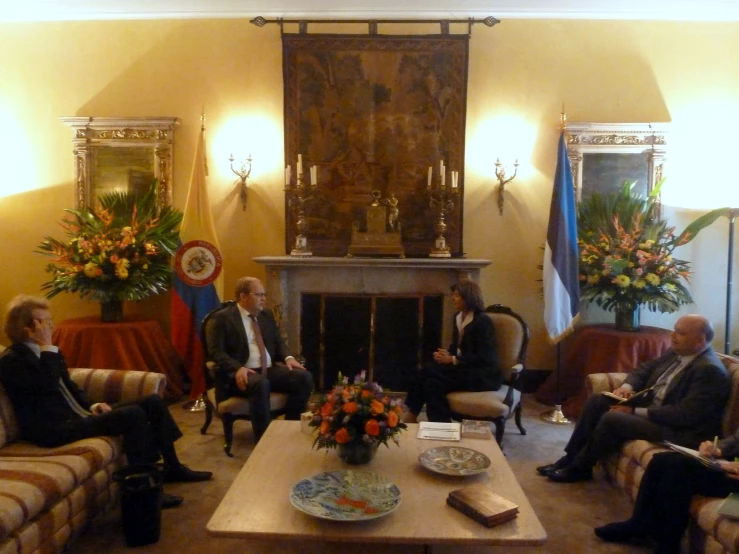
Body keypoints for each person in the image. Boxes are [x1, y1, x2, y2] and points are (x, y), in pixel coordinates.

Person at [0, 295, 212, 509]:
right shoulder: (13, 360)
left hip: (76, 414)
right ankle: (145, 484)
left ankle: (173, 467)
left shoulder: (47, 353)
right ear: (26, 327)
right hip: (54, 429)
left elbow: (70, 386)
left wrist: (92, 404)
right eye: (44, 321)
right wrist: (47, 347)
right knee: (132, 415)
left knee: (152, 402)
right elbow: (47, 386)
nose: (51, 325)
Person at [537, 314, 730, 483]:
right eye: (674, 330)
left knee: (614, 418)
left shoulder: (708, 370)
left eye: (680, 333)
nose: (673, 336)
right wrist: (626, 387)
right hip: (656, 408)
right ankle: (569, 458)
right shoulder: (678, 351)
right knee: (598, 401)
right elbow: (644, 369)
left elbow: (685, 414)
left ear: (700, 340)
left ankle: (580, 468)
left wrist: (634, 411)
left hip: (680, 429)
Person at [205, 276, 314, 442]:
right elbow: (216, 352)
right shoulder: (222, 318)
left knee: (303, 377)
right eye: (259, 295)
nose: (264, 299)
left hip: (267, 370)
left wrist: (288, 358)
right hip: (238, 375)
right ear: (243, 296)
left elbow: (278, 342)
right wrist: (237, 368)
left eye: (264, 295)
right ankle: (263, 439)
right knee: (260, 383)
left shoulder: (265, 315)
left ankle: (290, 430)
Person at [594, 435, 739, 554]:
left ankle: (668, 545)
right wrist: (717, 449)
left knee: (679, 468)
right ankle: (639, 523)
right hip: (732, 467)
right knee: (662, 460)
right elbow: (736, 440)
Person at [403, 279, 502, 423]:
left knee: (429, 375)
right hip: (464, 368)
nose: (453, 298)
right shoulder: (458, 317)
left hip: (483, 375)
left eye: (456, 295)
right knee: (430, 380)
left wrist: (453, 360)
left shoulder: (483, 322)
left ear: (468, 297)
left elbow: (485, 358)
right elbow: (457, 347)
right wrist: (447, 354)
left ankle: (414, 415)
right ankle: (441, 425)